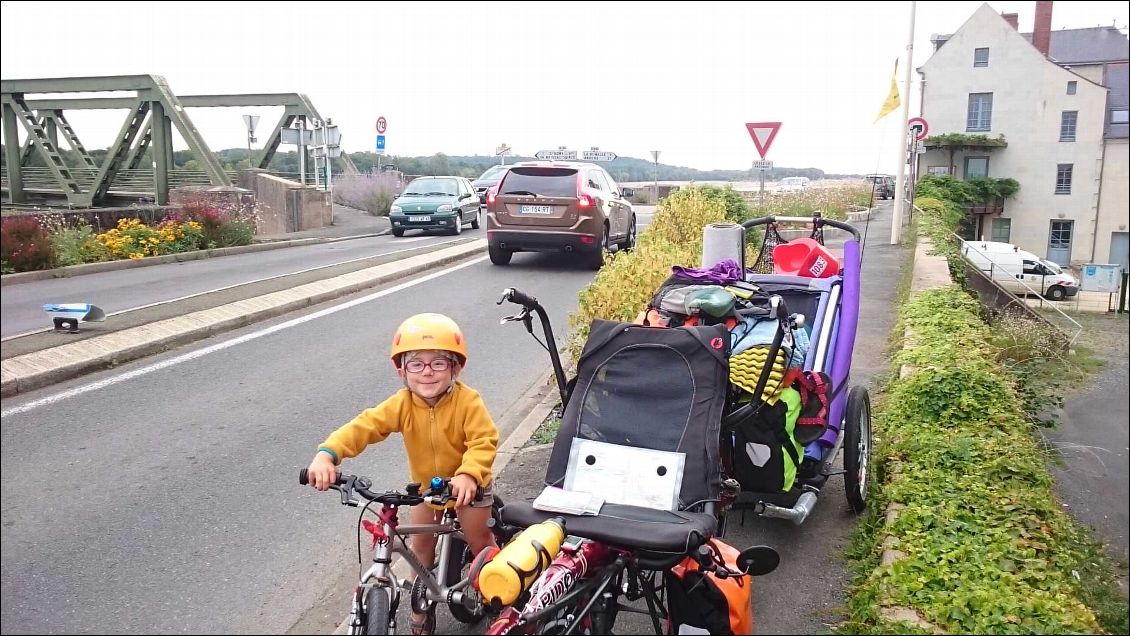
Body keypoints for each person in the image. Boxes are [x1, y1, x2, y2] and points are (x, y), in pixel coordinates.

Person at [306, 313, 499, 635]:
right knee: (419, 549)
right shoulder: (402, 404)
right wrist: (327, 455)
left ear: (456, 368)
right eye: (416, 364)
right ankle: (420, 607)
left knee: (480, 541)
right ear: (401, 370)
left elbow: (483, 441)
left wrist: (469, 474)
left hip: (468, 488)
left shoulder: (469, 402)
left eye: (438, 363)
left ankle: (499, 593)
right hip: (425, 490)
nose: (427, 372)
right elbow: (364, 426)